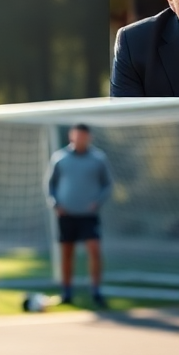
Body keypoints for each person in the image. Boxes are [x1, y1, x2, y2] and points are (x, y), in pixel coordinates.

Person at [45, 124, 113, 309]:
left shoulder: (98, 159)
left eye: (84, 136)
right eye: (78, 136)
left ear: (89, 137)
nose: (81, 139)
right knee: (67, 253)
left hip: (88, 216)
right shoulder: (60, 158)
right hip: (66, 215)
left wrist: (96, 202)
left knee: (94, 250)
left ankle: (96, 292)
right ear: (71, 136)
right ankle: (66, 292)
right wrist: (55, 204)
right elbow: (51, 185)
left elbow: (107, 185)